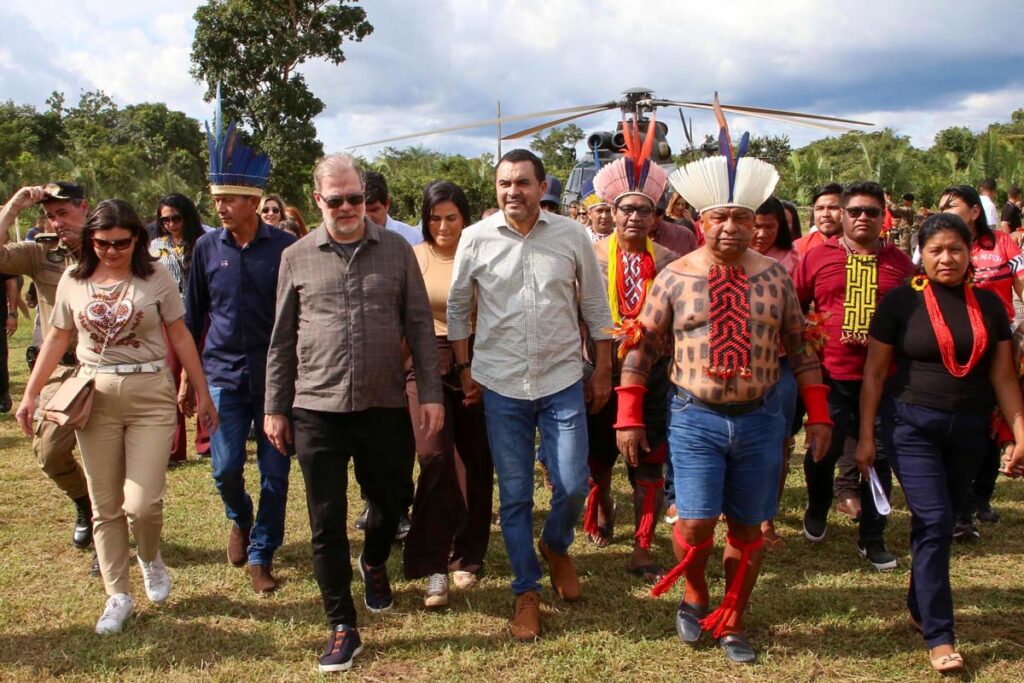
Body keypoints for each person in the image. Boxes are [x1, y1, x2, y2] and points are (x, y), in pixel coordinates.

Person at [619, 109, 832, 663]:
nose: (730, 228)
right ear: (701, 221)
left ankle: (733, 616)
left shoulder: (776, 276)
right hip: (695, 417)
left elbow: (801, 349)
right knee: (694, 523)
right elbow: (642, 347)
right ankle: (695, 594)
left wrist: (819, 415)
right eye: (720, 218)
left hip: (761, 418)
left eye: (741, 217)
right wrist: (629, 416)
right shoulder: (675, 275)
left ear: (755, 221)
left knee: (746, 526)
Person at [264, 152, 443, 673]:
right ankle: (342, 624)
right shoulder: (296, 256)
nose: (347, 208)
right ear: (317, 200)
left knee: (390, 502)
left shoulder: (397, 251)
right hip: (316, 408)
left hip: (383, 403)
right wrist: (275, 407)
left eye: (356, 199)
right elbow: (281, 341)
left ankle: (375, 560)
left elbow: (419, 328)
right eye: (336, 200)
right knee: (326, 520)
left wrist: (431, 394)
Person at [15, 199, 218, 635]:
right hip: (96, 396)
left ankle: (149, 555)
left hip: (151, 394)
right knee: (105, 504)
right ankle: (117, 595)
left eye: (121, 243)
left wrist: (201, 393)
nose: (111, 251)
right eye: (103, 243)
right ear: (91, 240)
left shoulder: (156, 276)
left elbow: (181, 336)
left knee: (143, 504)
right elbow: (57, 338)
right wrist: (30, 393)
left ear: (137, 240)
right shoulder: (74, 279)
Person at [447, 148, 613, 641]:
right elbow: (458, 308)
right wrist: (464, 367)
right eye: (504, 183)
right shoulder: (475, 238)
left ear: (543, 187)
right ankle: (526, 590)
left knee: (573, 484)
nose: (512, 191)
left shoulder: (571, 235)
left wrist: (603, 369)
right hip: (501, 384)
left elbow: (595, 306)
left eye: (522, 182)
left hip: (561, 379)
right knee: (516, 495)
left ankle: (556, 545)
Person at [856, 213, 1024, 674]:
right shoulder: (900, 302)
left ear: (970, 253)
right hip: (911, 425)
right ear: (921, 254)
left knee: (942, 521)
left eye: (955, 249)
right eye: (936, 250)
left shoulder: (989, 306)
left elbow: (1004, 377)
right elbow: (874, 375)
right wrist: (866, 436)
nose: (946, 258)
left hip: (969, 430)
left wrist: (1020, 431)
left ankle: (919, 603)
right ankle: (940, 634)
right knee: (932, 519)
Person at [185, 106, 296, 595]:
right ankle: (240, 517)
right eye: (217, 201)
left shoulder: (286, 249)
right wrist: (188, 381)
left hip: (276, 382)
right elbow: (192, 319)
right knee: (226, 468)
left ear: (253, 201)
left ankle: (261, 552)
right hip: (223, 377)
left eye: (229, 200)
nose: (221, 209)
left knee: (276, 473)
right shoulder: (207, 249)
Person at [794, 181, 914, 568]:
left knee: (877, 454)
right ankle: (818, 505)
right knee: (822, 450)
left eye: (872, 212)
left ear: (884, 217)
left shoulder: (900, 263)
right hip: (830, 375)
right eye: (855, 211)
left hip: (885, 378)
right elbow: (795, 306)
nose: (863, 217)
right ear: (843, 215)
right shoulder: (817, 257)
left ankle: (872, 536)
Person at [582, 136, 677, 582]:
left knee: (649, 462)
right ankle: (601, 506)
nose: (634, 217)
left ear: (656, 217)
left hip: (654, 375)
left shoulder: (672, 262)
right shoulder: (590, 258)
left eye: (644, 210)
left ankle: (642, 546)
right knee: (598, 460)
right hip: (599, 370)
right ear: (612, 212)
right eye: (627, 210)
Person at [401, 180, 493, 607]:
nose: (442, 226)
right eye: (434, 218)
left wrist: (474, 366)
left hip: (480, 357)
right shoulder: (413, 257)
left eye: (451, 217)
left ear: (465, 218)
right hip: (425, 361)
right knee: (434, 456)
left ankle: (468, 555)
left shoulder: (484, 254)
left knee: (475, 460)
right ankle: (432, 563)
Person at [0, 182, 95, 557]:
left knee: (109, 455)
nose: (57, 222)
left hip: (109, 367)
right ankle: (85, 503)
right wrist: (13, 208)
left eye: (64, 213)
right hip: (63, 370)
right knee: (50, 452)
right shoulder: (41, 252)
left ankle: (109, 536)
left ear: (84, 207)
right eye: (51, 215)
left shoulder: (112, 245)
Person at [934, 184, 1024, 536]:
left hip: (997, 348)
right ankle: (959, 506)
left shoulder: (1003, 245)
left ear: (974, 210)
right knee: (960, 422)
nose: (944, 210)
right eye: (941, 206)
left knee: (991, 422)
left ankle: (980, 497)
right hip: (950, 346)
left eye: (951, 205)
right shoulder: (937, 243)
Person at [750, 197, 801, 549]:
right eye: (755, 225)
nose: (761, 233)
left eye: (769, 226)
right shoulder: (724, 258)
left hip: (780, 364)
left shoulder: (793, 261)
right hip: (734, 365)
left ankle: (766, 517)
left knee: (777, 442)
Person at [150, 194, 210, 463]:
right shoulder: (155, 247)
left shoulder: (206, 241)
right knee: (169, 379)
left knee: (202, 375)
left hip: (203, 315)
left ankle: (207, 442)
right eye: (165, 219)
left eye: (176, 218)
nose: (171, 224)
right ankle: (173, 448)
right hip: (169, 318)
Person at [363, 170, 423, 245]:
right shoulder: (349, 242)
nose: (368, 217)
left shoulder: (413, 238)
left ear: (387, 203)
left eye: (374, 210)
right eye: (362, 211)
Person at [793, 183, 844, 255]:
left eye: (832, 208)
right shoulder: (798, 248)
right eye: (820, 209)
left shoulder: (857, 247)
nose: (825, 214)